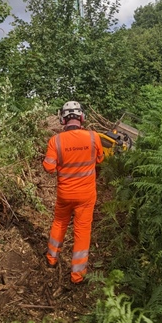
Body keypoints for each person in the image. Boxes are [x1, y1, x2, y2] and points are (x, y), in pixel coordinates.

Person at [43, 100, 104, 284]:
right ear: (82, 118)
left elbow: (49, 168)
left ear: (63, 119)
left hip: (65, 195)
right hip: (86, 196)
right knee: (82, 230)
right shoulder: (94, 137)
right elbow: (100, 160)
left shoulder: (55, 141)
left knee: (60, 222)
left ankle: (51, 259)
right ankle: (77, 275)